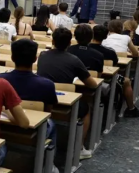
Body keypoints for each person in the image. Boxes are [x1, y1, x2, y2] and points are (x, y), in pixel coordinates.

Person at [0, 39, 59, 173]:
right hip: (33, 132)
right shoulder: (47, 84)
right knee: (52, 123)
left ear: (12, 58)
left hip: (2, 128)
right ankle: (48, 166)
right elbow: (48, 112)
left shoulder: (0, 79)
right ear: (35, 59)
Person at [37, 28, 99, 159]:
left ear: (52, 41)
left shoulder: (42, 55)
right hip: (62, 101)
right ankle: (80, 147)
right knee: (86, 109)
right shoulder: (74, 60)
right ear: (70, 43)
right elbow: (92, 84)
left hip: (42, 100)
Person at [90, 23, 139, 118]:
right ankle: (131, 108)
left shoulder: (84, 49)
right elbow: (114, 68)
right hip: (105, 79)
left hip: (84, 78)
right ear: (105, 36)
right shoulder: (110, 52)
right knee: (126, 81)